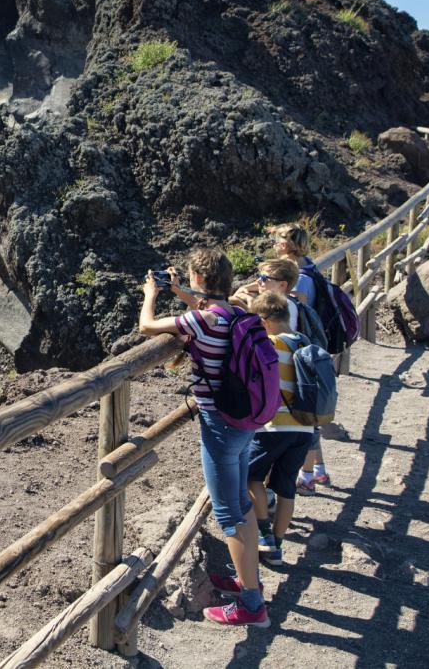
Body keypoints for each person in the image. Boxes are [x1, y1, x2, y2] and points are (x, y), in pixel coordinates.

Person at [138, 248, 268, 628]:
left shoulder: (200, 321)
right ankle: (249, 582)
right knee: (240, 504)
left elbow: (148, 326)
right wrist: (182, 292)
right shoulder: (237, 312)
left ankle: (251, 605)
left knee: (228, 512)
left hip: (220, 425)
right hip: (246, 422)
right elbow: (207, 306)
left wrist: (151, 294)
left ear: (198, 278)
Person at [245, 291, 315, 566]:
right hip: (305, 427)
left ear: (265, 321)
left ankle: (264, 534)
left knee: (251, 477)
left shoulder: (270, 344)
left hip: (275, 427)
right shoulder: (304, 342)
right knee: (286, 486)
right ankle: (278, 547)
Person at [270, 223, 333, 491]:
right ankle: (317, 469)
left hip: (296, 357)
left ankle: (307, 473)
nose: (274, 245)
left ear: (285, 245)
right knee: (307, 416)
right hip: (308, 353)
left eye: (276, 241)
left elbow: (294, 314)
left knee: (304, 415)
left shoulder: (298, 277)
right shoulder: (308, 266)